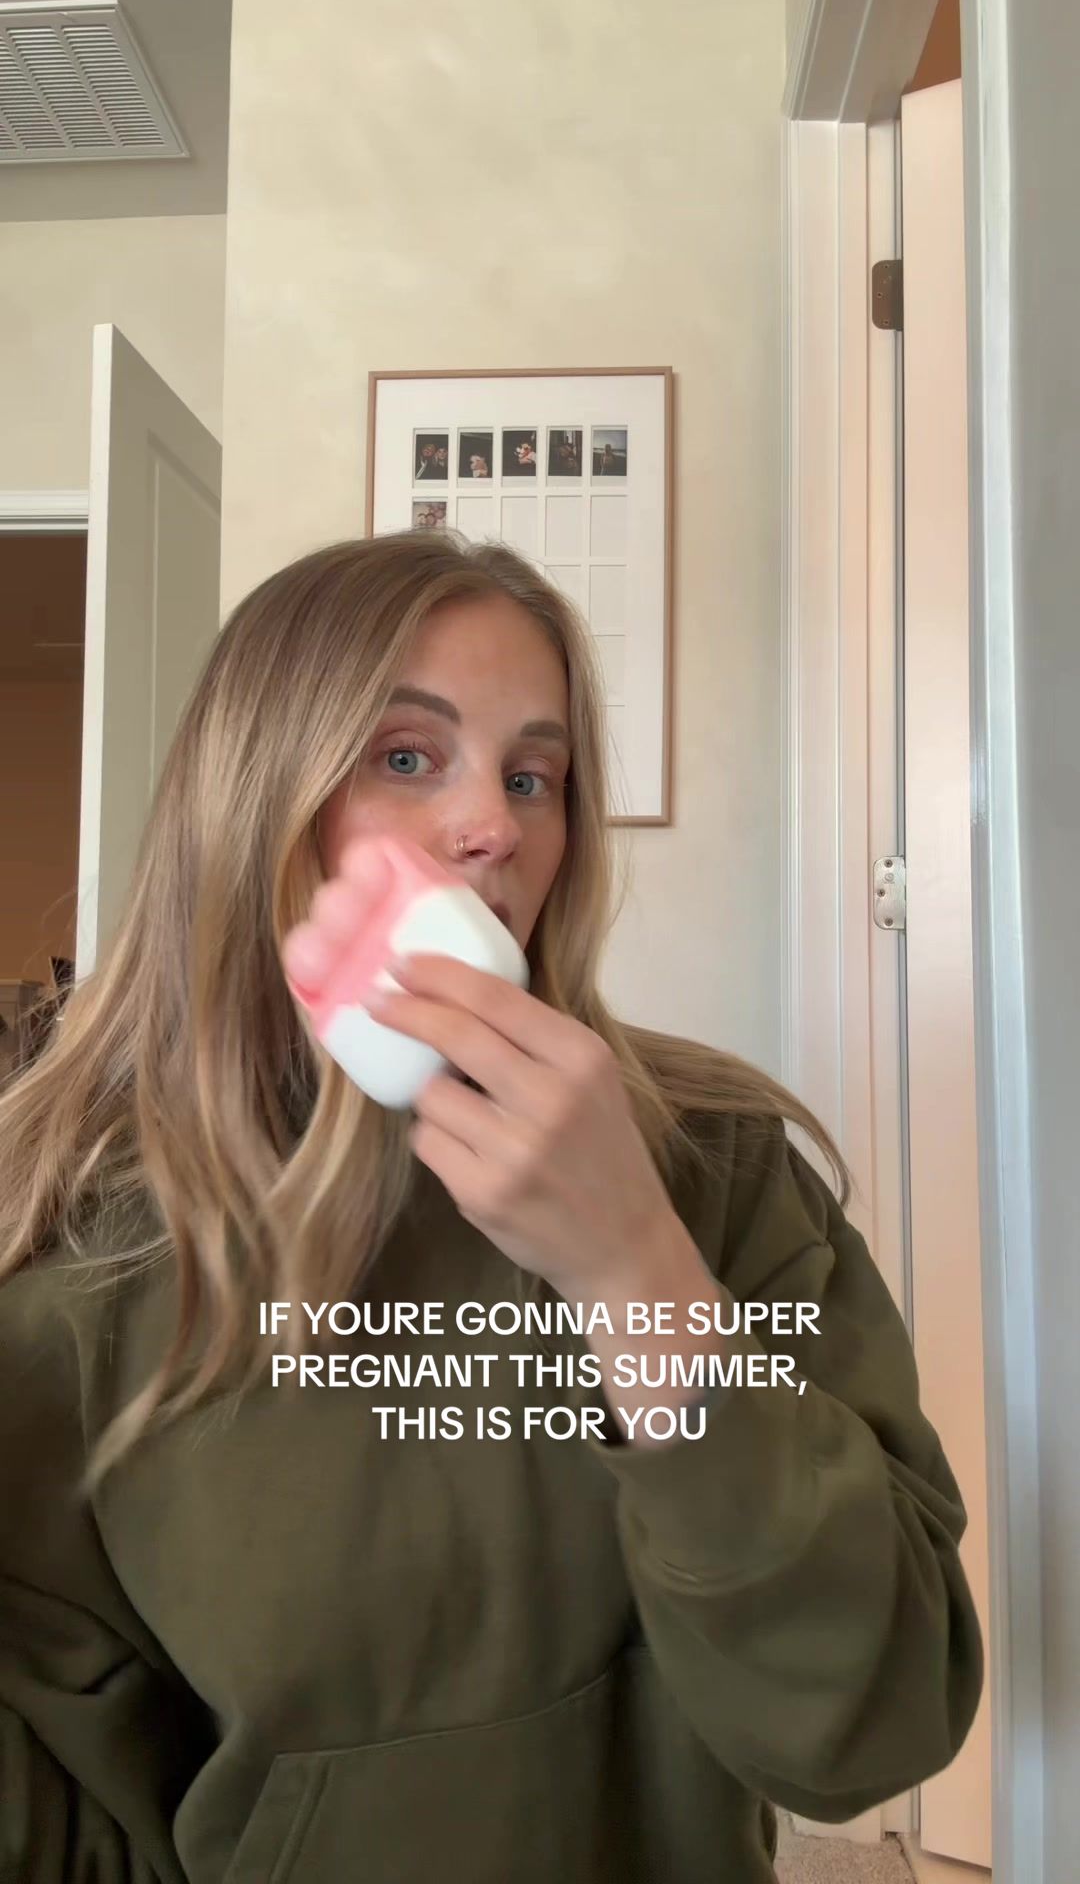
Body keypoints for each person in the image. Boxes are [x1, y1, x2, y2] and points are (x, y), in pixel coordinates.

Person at [0, 533, 982, 1883]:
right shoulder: (80, 1274)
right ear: (251, 800)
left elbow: (879, 1726)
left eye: (533, 777)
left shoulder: (720, 1169)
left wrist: (638, 1277)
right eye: (408, 757)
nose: (496, 826)